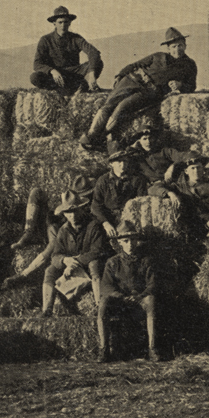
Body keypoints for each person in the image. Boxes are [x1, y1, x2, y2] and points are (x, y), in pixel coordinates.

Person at [79, 27, 197, 150]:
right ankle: (90, 136)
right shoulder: (157, 56)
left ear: (185, 45)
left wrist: (180, 85)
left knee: (121, 108)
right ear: (168, 48)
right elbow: (135, 65)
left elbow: (192, 86)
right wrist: (120, 75)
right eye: (173, 46)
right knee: (108, 106)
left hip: (149, 92)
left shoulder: (189, 65)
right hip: (131, 80)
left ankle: (101, 138)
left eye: (180, 45)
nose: (177, 49)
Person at [3, 175, 96, 287]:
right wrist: (54, 217)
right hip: (52, 227)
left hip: (63, 235)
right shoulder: (70, 199)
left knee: (53, 242)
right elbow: (57, 215)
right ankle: (28, 233)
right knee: (36, 192)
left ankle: (25, 274)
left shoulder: (93, 207)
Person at [98, 221, 164, 363]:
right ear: (120, 243)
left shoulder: (146, 261)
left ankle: (152, 348)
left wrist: (140, 296)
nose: (130, 244)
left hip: (139, 303)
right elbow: (106, 286)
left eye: (133, 240)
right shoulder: (113, 262)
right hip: (120, 304)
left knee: (151, 300)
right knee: (103, 302)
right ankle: (103, 349)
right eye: (126, 241)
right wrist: (120, 297)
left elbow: (153, 284)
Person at [40, 191, 111, 317]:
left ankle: (100, 307)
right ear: (64, 214)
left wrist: (75, 262)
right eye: (68, 212)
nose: (72, 215)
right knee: (50, 270)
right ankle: (47, 310)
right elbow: (55, 255)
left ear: (82, 209)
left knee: (94, 265)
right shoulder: (63, 230)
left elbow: (98, 251)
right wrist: (64, 261)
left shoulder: (93, 226)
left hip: (90, 265)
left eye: (75, 211)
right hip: (70, 266)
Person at [31, 6, 104, 95]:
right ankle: (63, 90)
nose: (63, 25)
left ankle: (83, 85)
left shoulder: (76, 38)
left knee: (98, 63)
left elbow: (93, 52)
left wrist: (92, 73)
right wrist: (52, 71)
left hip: (74, 74)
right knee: (35, 77)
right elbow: (37, 64)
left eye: (66, 22)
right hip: (56, 76)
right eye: (60, 22)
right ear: (54, 23)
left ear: (70, 23)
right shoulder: (45, 40)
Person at [91, 145, 148, 238]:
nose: (123, 164)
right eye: (118, 161)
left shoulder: (137, 179)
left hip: (130, 219)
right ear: (111, 164)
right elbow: (96, 205)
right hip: (109, 219)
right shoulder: (103, 180)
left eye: (125, 160)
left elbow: (142, 202)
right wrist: (106, 223)